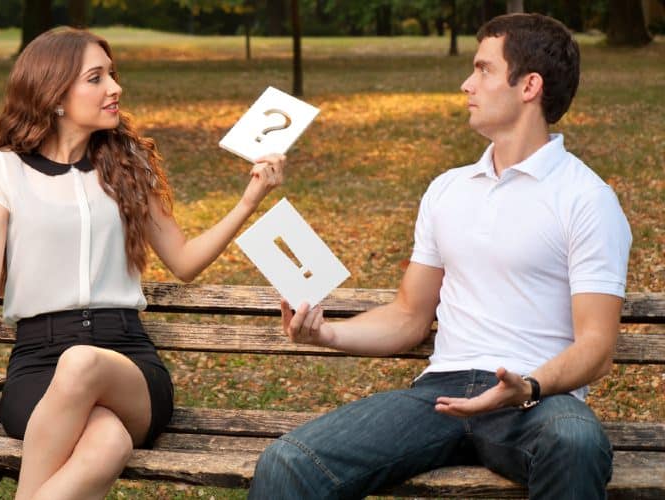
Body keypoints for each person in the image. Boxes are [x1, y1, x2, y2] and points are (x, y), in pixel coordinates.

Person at [0, 28, 286, 500]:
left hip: (127, 363)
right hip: (37, 368)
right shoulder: (5, 170)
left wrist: (250, 199)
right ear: (54, 95)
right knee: (107, 442)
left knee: (83, 360)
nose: (115, 88)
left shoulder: (129, 163)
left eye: (112, 75)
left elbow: (186, 262)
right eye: (97, 78)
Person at [249, 13, 631, 500]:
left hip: (534, 402)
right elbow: (410, 316)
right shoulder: (447, 190)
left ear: (529, 85)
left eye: (484, 70)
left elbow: (597, 346)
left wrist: (529, 386)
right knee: (288, 465)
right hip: (440, 395)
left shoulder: (586, 199)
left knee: (576, 441)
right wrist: (324, 333)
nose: (466, 83)